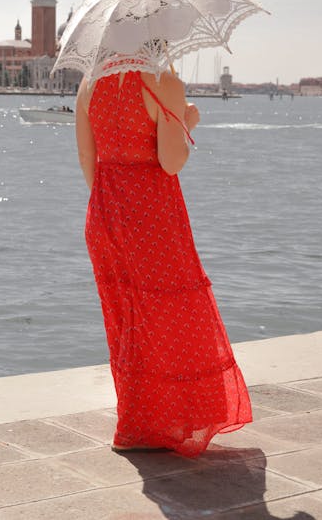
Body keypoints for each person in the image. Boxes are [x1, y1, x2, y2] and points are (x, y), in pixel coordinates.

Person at [76, 69, 252, 457]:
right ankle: (157, 423)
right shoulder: (164, 82)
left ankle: (135, 421)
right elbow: (171, 161)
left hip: (105, 212)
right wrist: (187, 122)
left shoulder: (89, 83)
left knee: (126, 320)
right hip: (152, 212)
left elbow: (87, 156)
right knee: (170, 314)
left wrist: (113, 203)